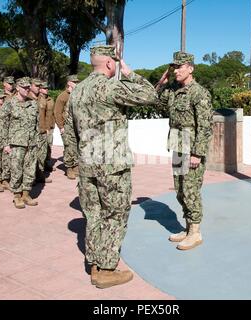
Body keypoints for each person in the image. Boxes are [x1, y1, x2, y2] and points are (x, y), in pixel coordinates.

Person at [64, 45, 158, 289]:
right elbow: (150, 95)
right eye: (115, 63)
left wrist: (73, 162)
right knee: (115, 215)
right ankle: (107, 269)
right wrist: (130, 73)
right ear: (109, 64)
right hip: (112, 166)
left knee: (93, 214)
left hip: (87, 165)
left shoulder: (77, 92)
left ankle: (94, 263)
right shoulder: (111, 86)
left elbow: (69, 131)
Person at [156, 51, 214, 251]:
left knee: (190, 190)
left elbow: (205, 126)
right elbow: (158, 103)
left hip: (192, 148)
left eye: (180, 67)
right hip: (178, 145)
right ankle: (188, 227)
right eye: (174, 67)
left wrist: (198, 153)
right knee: (180, 190)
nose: (177, 71)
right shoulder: (173, 91)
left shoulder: (199, 93)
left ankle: (195, 233)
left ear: (190, 68)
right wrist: (162, 82)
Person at [0, 77, 40, 209]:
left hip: (32, 142)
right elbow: (2, 125)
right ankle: (17, 195)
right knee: (16, 170)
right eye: (24, 87)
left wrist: (38, 140)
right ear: (17, 88)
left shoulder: (33, 103)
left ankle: (26, 194)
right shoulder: (9, 104)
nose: (27, 89)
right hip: (16, 143)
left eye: (28, 87)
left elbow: (37, 123)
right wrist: (5, 144)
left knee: (30, 170)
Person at [55, 75, 80, 179]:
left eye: (77, 82)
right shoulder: (63, 96)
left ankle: (76, 166)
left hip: (77, 126)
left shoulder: (78, 95)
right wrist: (61, 126)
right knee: (69, 147)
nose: (77, 84)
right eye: (75, 82)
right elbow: (57, 112)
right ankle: (69, 168)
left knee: (77, 147)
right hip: (67, 126)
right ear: (69, 83)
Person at [35, 81, 52, 184]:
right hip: (33, 131)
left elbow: (46, 115)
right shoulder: (31, 99)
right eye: (44, 88)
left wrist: (47, 127)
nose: (46, 90)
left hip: (42, 129)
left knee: (42, 153)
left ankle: (39, 174)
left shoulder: (44, 100)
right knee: (34, 155)